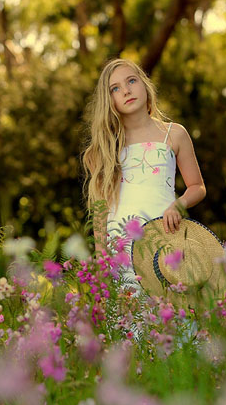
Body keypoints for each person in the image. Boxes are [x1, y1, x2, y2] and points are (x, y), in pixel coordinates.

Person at [80, 58, 207, 293]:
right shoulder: (107, 147)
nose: (126, 90)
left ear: (145, 85)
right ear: (110, 101)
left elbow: (197, 186)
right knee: (131, 323)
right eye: (115, 89)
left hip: (164, 238)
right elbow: (100, 212)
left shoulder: (174, 134)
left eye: (131, 81)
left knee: (170, 317)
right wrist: (101, 263)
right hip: (121, 248)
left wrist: (179, 205)